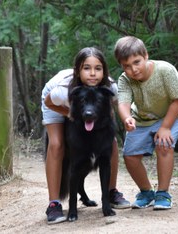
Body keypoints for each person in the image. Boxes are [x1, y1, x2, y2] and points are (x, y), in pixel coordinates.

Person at [41, 47, 130, 224]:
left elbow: (110, 112)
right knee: (57, 145)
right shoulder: (62, 89)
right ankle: (54, 203)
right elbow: (49, 102)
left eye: (98, 68)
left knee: (110, 143)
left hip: (90, 111)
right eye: (86, 68)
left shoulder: (110, 87)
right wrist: (69, 114)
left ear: (104, 71)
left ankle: (111, 192)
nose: (92, 73)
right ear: (77, 71)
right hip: (58, 105)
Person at [114, 36, 178, 210]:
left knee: (163, 144)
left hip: (171, 113)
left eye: (137, 62)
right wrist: (126, 118)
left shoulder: (165, 70)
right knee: (130, 156)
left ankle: (163, 193)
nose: (133, 69)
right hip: (142, 117)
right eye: (127, 66)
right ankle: (146, 192)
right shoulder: (125, 79)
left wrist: (165, 127)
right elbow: (123, 103)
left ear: (146, 56)